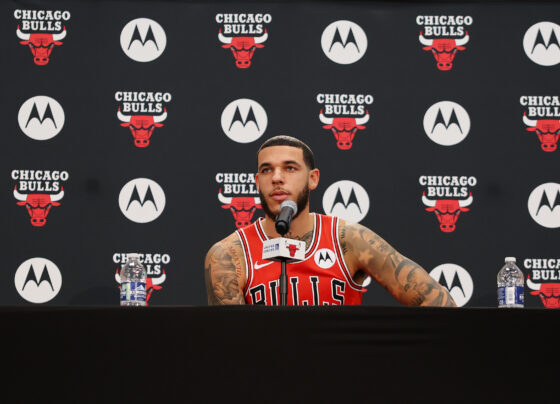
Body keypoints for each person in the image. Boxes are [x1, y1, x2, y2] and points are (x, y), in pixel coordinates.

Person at [205, 135, 456, 307]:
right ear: (258, 182)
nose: (277, 178)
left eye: (290, 168)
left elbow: (437, 301)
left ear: (313, 178)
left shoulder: (349, 240)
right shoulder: (229, 254)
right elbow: (230, 343)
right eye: (266, 170)